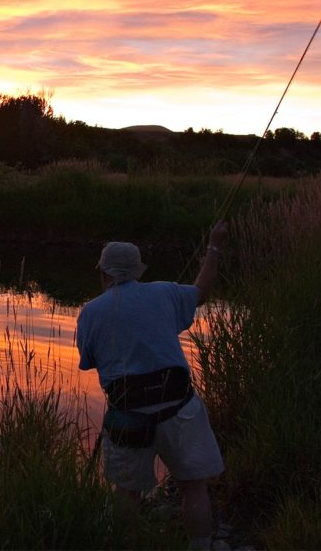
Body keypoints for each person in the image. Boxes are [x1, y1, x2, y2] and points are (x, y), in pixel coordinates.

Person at [76, 221, 229, 549]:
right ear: (137, 271)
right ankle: (201, 545)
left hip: (128, 416)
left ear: (104, 273)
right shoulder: (166, 292)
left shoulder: (90, 312)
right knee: (193, 486)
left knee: (127, 493)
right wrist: (214, 245)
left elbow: (89, 361)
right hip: (180, 407)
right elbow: (202, 290)